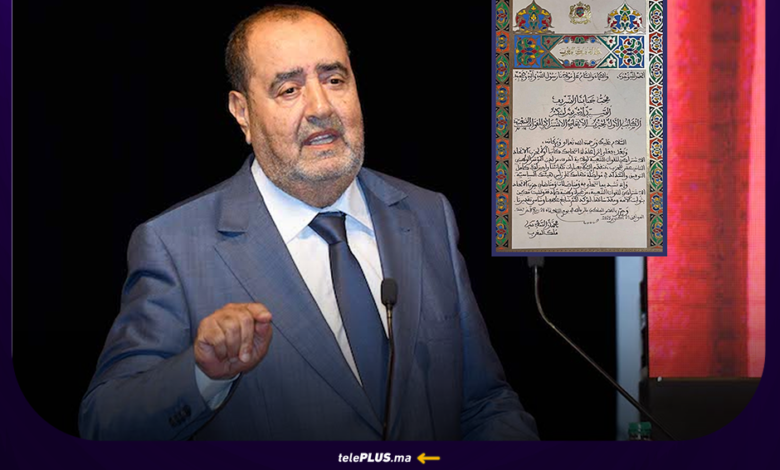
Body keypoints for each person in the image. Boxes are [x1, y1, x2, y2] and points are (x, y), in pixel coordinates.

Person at [78, 4, 539, 441]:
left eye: (335, 79)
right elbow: (105, 424)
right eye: (289, 89)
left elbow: (485, 403)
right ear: (242, 112)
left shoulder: (427, 214)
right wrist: (202, 375)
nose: (321, 107)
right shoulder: (175, 246)